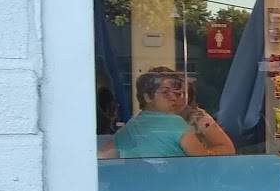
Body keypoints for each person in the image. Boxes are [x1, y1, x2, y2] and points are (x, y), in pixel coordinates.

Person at [97, 68, 234, 159]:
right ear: (148, 97)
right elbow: (201, 160)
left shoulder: (198, 116)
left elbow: (102, 155)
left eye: (179, 93)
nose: (174, 98)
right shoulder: (162, 122)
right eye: (165, 92)